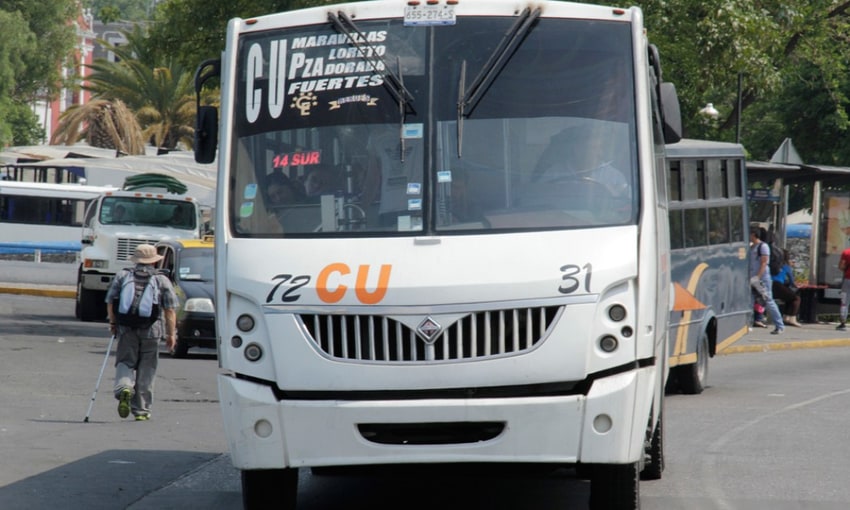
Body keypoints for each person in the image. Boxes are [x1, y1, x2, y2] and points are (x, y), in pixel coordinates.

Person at [105, 244, 178, 421]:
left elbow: (110, 301)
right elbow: (170, 310)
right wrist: (171, 335)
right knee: (147, 368)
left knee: (125, 361)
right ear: (154, 262)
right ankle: (141, 410)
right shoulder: (162, 280)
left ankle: (124, 387)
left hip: (126, 329)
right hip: (152, 330)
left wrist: (113, 323)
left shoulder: (123, 275)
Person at [750, 228, 784, 334]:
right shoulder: (752, 247)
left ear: (754, 234)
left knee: (768, 301)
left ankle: (779, 325)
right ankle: (748, 323)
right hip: (752, 278)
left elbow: (764, 263)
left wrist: (758, 277)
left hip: (762, 279)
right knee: (749, 301)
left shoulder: (763, 246)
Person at [771, 249, 802, 327]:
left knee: (788, 298)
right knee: (796, 298)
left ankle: (786, 317)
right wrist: (797, 285)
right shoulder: (786, 266)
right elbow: (792, 281)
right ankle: (792, 318)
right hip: (778, 285)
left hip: (770, 284)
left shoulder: (773, 264)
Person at [836, 245, 850, 330]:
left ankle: (843, 323)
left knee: (844, 302)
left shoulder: (846, 252)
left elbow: (841, 266)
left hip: (848, 280)